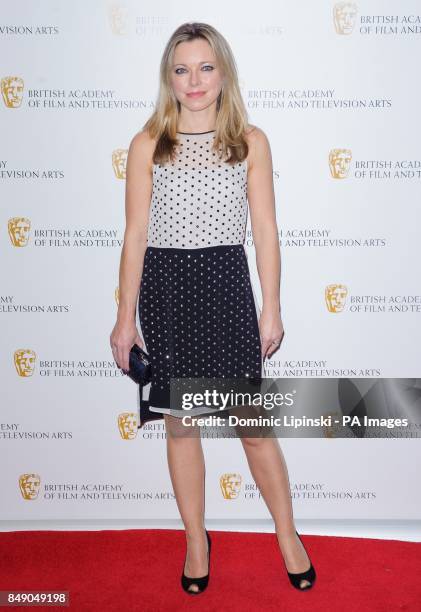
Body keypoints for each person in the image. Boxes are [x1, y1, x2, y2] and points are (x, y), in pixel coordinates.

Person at [110, 21, 316, 595]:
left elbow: (266, 232)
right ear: (168, 79)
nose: (194, 80)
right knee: (181, 428)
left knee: (252, 427)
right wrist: (125, 317)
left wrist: (270, 310)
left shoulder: (249, 140)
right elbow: (134, 236)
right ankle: (196, 538)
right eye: (182, 69)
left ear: (223, 72)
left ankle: (287, 534)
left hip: (226, 285)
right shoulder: (148, 142)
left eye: (205, 67)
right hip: (167, 290)